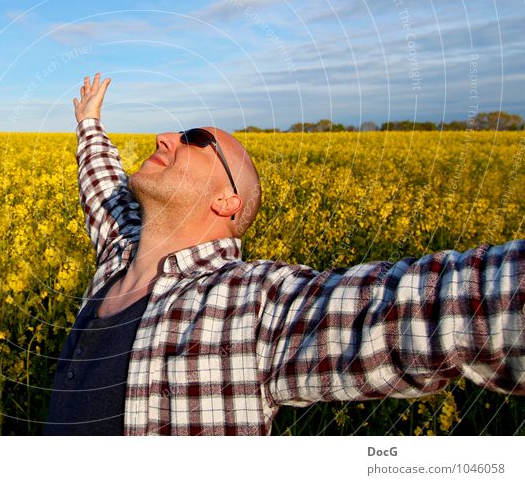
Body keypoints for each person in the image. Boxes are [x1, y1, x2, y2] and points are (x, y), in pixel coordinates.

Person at [44, 72, 525, 436]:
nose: (165, 136)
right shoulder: (118, 253)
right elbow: (101, 183)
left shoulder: (248, 305)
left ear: (226, 202)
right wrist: (89, 123)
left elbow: (432, 307)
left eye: (196, 139)